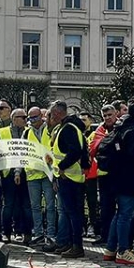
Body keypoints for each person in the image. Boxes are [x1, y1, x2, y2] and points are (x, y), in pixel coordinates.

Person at [100, 99, 134, 266]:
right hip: (130, 179)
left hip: (117, 177)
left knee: (119, 214)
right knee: (125, 215)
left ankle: (110, 249)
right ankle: (123, 250)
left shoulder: (120, 128)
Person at [49, 101, 89, 259]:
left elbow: (75, 151)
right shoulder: (69, 127)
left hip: (70, 177)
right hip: (69, 176)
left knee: (74, 214)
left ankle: (77, 246)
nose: (51, 117)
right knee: (69, 212)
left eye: (52, 114)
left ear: (58, 113)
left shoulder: (68, 128)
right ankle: (69, 243)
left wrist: (62, 167)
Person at [0, 108, 34, 244]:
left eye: (26, 117)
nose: (26, 120)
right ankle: (6, 232)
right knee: (8, 205)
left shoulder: (29, 131)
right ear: (13, 119)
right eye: (22, 117)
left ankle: (26, 232)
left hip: (26, 172)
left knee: (26, 205)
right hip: (8, 173)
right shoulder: (3, 132)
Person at [23, 106, 56, 250]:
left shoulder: (49, 130)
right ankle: (38, 234)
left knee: (50, 206)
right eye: (29, 118)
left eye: (34, 117)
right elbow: (21, 153)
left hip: (48, 174)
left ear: (41, 117)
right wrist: (19, 172)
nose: (32, 121)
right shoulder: (26, 133)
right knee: (35, 206)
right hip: (32, 175)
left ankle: (51, 234)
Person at [87, 105, 118, 243]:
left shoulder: (121, 127)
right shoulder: (100, 130)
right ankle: (105, 236)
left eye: (110, 115)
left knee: (122, 208)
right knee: (105, 207)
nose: (107, 118)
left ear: (116, 114)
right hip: (104, 174)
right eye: (105, 116)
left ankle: (118, 236)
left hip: (119, 174)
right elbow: (93, 149)